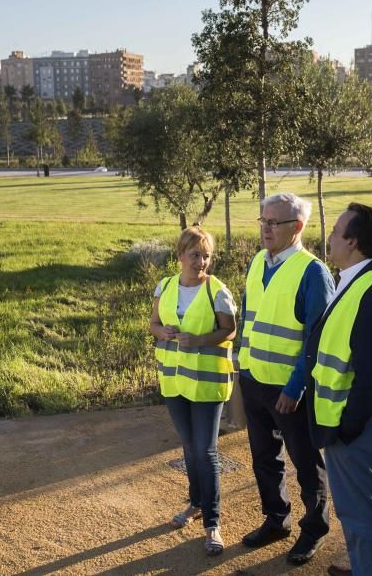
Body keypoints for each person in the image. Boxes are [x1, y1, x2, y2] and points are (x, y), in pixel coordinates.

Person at [306, 203, 372, 576]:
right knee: (362, 508)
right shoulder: (357, 279)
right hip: (350, 424)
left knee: (363, 512)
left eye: (335, 231)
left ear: (352, 240)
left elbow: (371, 376)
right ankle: (368, 568)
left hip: (357, 427)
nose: (329, 236)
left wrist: (348, 428)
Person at [238, 193, 334, 565]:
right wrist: (242, 366)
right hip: (254, 381)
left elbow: (316, 337)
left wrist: (296, 387)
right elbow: (251, 320)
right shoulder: (257, 262)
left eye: (273, 222)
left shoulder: (313, 272)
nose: (265, 227)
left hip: (289, 391)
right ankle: (277, 519)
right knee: (264, 459)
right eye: (262, 220)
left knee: (307, 463)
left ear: (297, 228)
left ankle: (314, 530)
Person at [149, 226, 237, 556]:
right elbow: (152, 325)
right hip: (174, 381)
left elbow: (230, 330)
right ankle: (196, 503)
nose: (201, 261)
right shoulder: (166, 285)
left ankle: (212, 523)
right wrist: (165, 331)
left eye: (206, 255)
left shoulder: (218, 291)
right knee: (189, 447)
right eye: (195, 254)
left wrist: (200, 340)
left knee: (206, 450)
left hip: (207, 382)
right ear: (180, 255)